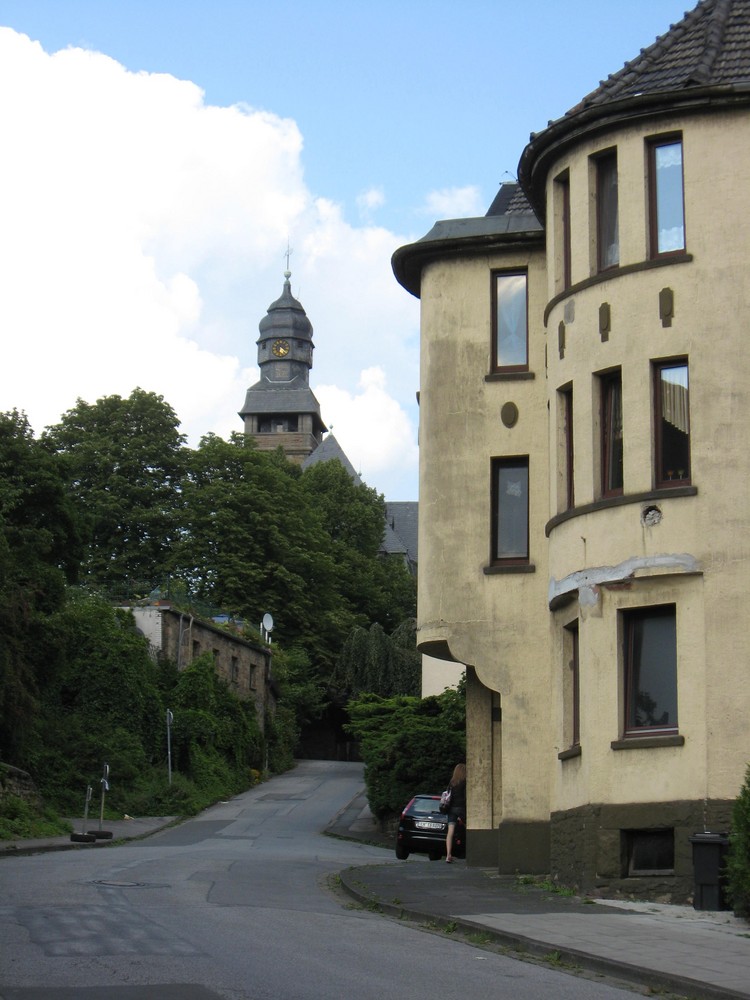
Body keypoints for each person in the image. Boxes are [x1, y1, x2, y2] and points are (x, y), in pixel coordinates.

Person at [445, 762, 466, 863]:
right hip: (462, 808)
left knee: (450, 832)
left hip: (451, 809)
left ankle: (448, 855)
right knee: (469, 828)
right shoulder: (465, 782)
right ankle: (470, 852)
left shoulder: (452, 782)